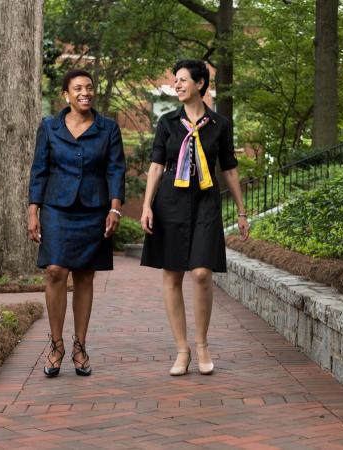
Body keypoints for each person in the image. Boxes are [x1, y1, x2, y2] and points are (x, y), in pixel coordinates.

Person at [140, 59, 250, 376]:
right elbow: (156, 167)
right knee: (172, 275)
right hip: (170, 201)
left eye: (183, 79)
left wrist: (242, 212)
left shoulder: (220, 125)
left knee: (201, 272)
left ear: (200, 84)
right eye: (176, 80)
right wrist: (147, 206)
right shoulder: (167, 123)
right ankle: (182, 350)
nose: (177, 85)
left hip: (205, 201)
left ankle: (202, 344)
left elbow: (229, 168)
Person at [27, 69, 126, 377]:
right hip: (57, 207)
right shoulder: (49, 127)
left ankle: (80, 346)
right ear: (66, 95)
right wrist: (33, 211)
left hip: (95, 209)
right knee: (55, 271)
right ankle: (56, 345)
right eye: (78, 88)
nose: (85, 92)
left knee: (84, 276)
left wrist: (115, 209)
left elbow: (115, 170)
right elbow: (39, 170)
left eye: (89, 87)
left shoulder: (107, 128)